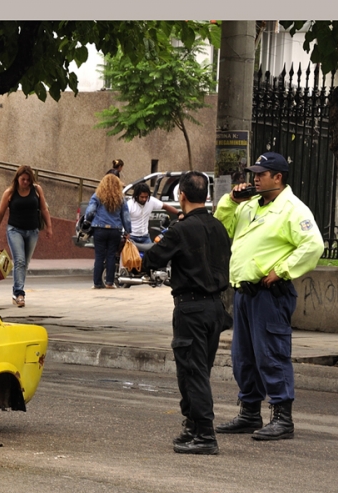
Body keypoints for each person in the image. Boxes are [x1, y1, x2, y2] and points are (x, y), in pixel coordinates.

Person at [212, 152, 324, 441]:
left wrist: (282, 270)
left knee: (271, 355)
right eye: (254, 174)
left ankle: (282, 418)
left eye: (262, 174)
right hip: (244, 294)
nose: (256, 179)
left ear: (278, 177)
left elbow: (313, 246)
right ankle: (249, 412)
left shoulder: (292, 209)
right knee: (243, 358)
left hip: (269, 294)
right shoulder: (249, 206)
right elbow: (221, 229)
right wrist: (231, 202)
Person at [142, 171, 231, 454]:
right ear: (205, 195)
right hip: (216, 306)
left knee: (192, 372)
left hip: (191, 307)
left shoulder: (181, 230)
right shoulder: (218, 227)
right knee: (199, 369)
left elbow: (153, 259)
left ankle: (204, 434)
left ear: (181, 196)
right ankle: (193, 426)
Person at [0, 165, 53, 307]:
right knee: (19, 261)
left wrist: (49, 227)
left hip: (33, 230)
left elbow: (43, 208)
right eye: (23, 179)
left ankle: (15, 292)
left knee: (25, 263)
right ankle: (19, 294)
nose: (25, 182)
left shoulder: (36, 190)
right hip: (15, 230)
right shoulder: (10, 192)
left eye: (28, 180)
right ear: (17, 178)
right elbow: (0, 212)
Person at [84, 174, 131, 289]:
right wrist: (128, 230)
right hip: (115, 230)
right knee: (111, 255)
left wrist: (87, 221)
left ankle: (97, 283)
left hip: (99, 229)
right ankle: (110, 282)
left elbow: (90, 211)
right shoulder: (120, 198)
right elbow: (126, 216)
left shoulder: (97, 196)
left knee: (99, 256)